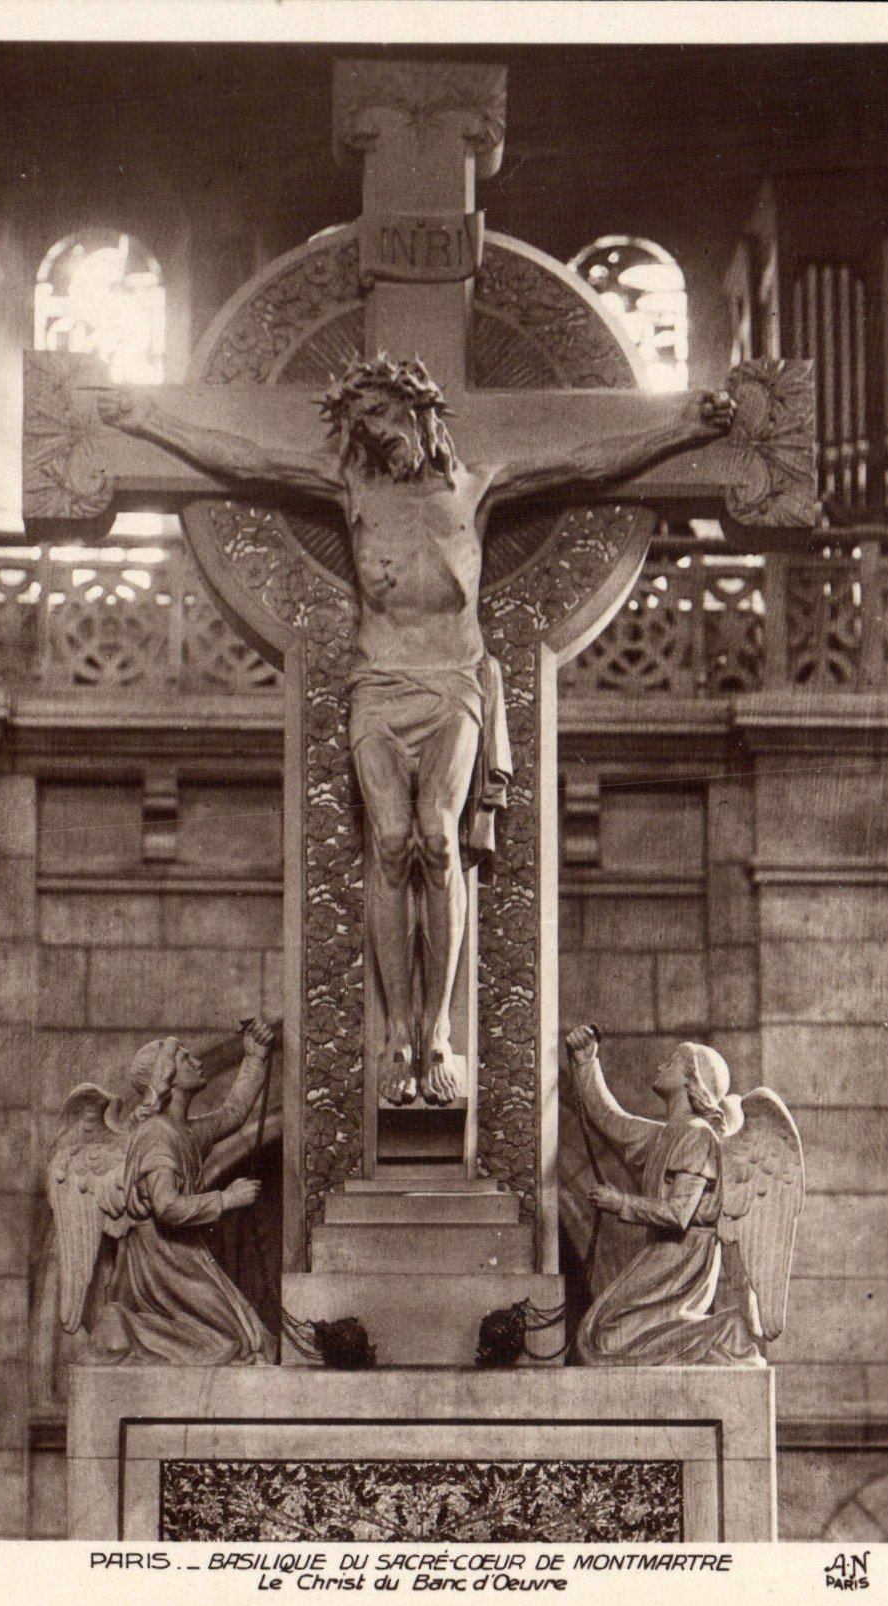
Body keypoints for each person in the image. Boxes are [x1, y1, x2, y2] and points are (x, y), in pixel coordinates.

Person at [100, 359, 735, 1107]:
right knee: (391, 843)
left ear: (423, 416)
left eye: (388, 427)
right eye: (366, 434)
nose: (381, 446)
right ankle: (398, 1029)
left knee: (439, 839)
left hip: (452, 687)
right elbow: (248, 458)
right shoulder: (351, 490)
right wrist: (149, 421)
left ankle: (436, 1031)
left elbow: (585, 462)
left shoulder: (478, 486)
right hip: (377, 686)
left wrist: (681, 429)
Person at [565, 1024, 762, 1366]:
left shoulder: (697, 1136)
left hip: (682, 1257)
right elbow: (611, 1120)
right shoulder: (665, 1135)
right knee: (599, 1337)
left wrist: (621, 1202)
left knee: (601, 1340)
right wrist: (586, 1064)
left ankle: (724, 1330)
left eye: (671, 1063)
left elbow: (679, 1213)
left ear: (691, 1080)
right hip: (664, 1252)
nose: (660, 1066)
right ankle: (719, 1332)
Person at [87, 1023, 277, 1366]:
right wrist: (226, 1199)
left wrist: (255, 1057)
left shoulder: (185, 1131)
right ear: (168, 1076)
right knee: (240, 1341)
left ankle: (129, 1329)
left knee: (252, 1337)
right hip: (162, 1261)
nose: (196, 1061)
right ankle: (125, 1327)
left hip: (182, 1253)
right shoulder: (157, 1136)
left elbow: (233, 1113)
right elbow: (166, 1206)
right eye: (185, 1058)